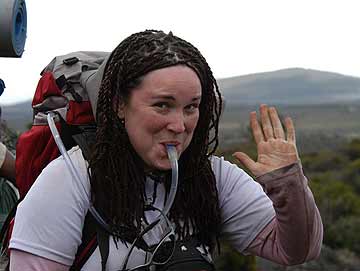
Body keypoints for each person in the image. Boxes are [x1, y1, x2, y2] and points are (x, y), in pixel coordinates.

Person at [9, 30, 323, 270]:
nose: (179, 124)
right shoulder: (70, 181)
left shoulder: (212, 176)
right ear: (120, 105)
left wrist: (287, 184)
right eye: (162, 105)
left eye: (191, 107)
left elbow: (296, 250)